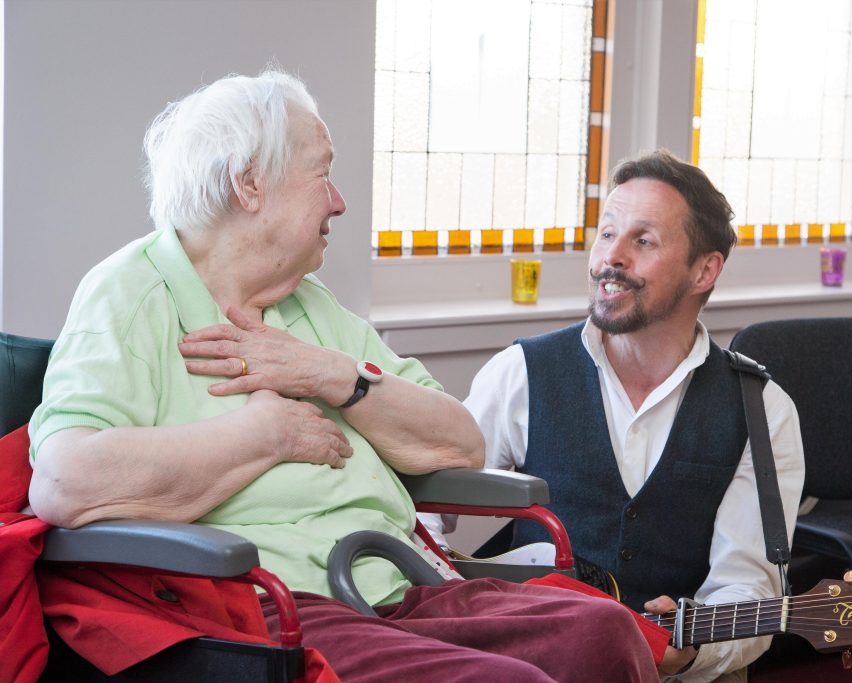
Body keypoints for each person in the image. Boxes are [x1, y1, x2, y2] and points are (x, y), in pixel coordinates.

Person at [26, 69, 681, 682]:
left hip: (402, 579)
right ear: (249, 182)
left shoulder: (309, 306)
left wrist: (333, 374)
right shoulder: (133, 293)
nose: (338, 201)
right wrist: (265, 434)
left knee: (605, 633)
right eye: (323, 174)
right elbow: (64, 480)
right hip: (274, 609)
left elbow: (461, 442)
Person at [436, 150, 806, 682]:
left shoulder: (763, 410)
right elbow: (422, 508)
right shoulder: (521, 373)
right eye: (607, 234)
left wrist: (689, 652)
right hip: (525, 665)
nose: (613, 257)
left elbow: (747, 587)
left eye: (644, 241)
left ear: (705, 269)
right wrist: (448, 602)